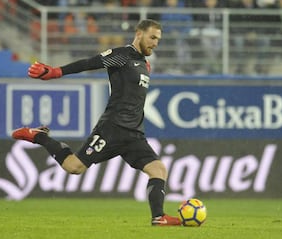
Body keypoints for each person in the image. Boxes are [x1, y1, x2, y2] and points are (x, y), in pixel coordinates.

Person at [12, 19, 181, 226]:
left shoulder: (145, 64)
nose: (155, 43)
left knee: (158, 170)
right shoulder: (122, 55)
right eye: (152, 37)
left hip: (134, 134)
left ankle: (159, 217)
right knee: (74, 167)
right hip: (112, 129)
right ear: (139, 34)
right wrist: (56, 72)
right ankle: (39, 136)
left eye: (158, 39)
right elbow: (90, 63)